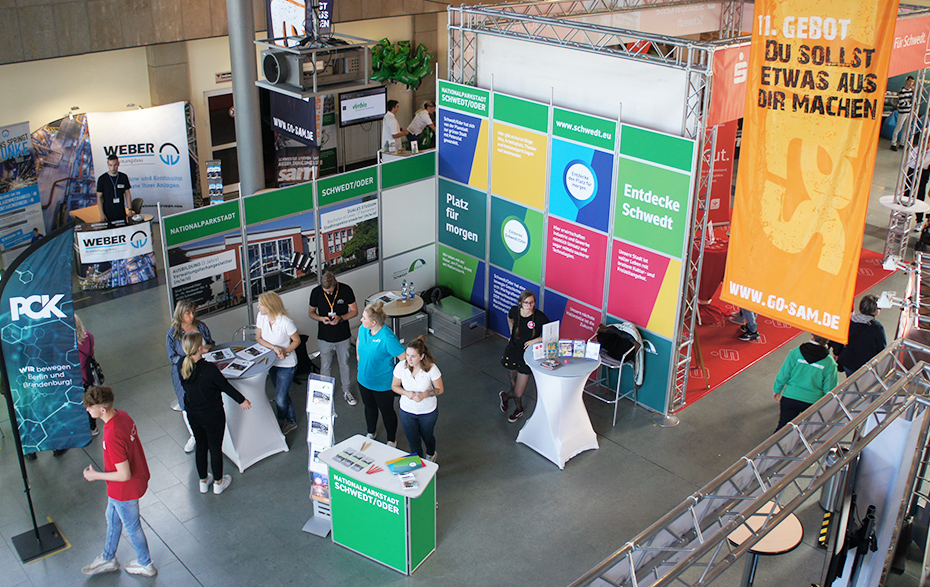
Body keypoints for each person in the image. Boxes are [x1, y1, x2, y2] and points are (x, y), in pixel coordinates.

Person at [81, 385, 157, 577]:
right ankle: (108, 557)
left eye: (90, 407)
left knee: (132, 527)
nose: (87, 410)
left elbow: (124, 475)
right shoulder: (123, 416)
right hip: (124, 487)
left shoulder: (111, 434)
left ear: (102, 409)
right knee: (112, 517)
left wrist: (95, 475)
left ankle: (145, 564)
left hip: (124, 490)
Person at [179, 332, 252, 494]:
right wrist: (242, 400)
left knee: (201, 445)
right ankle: (219, 482)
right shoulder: (209, 369)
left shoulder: (181, 365)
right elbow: (225, 386)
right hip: (212, 414)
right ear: (200, 348)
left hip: (193, 413)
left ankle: (203, 481)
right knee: (215, 447)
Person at [167, 300, 214, 453]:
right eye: (188, 313)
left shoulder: (201, 326)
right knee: (186, 404)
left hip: (203, 369)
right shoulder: (173, 334)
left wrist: (207, 348)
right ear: (180, 314)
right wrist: (190, 358)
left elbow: (211, 343)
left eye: (193, 312)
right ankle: (194, 435)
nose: (192, 316)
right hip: (184, 372)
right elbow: (172, 357)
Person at [357, 302, 406, 446]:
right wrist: (359, 357)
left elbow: (403, 358)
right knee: (369, 407)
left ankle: (391, 439)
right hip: (364, 380)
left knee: (387, 411)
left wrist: (397, 378)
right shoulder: (363, 328)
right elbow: (359, 340)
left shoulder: (387, 338)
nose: (361, 320)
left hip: (383, 385)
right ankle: (371, 432)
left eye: (364, 318)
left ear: (373, 322)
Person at [308, 271, 358, 406]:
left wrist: (341, 318)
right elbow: (311, 312)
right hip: (324, 336)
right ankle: (325, 393)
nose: (329, 293)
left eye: (330, 291)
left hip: (343, 335)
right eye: (326, 291)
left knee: (344, 363)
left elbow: (354, 311)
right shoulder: (316, 292)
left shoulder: (346, 290)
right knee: (325, 365)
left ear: (336, 283)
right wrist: (321, 318)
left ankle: (346, 391)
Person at [499, 290, 548, 423]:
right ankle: (519, 409)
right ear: (520, 303)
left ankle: (505, 397)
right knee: (513, 384)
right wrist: (511, 329)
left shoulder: (539, 317)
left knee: (518, 391)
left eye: (531, 303)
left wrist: (535, 340)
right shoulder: (515, 311)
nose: (529, 305)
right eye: (526, 303)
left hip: (527, 356)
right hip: (512, 352)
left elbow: (551, 335)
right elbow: (509, 317)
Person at [392, 336, 443, 462]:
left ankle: (431, 453)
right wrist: (406, 393)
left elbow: (440, 389)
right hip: (407, 411)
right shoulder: (401, 367)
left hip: (427, 411)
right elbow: (394, 386)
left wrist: (424, 394)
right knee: (413, 439)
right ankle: (417, 461)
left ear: (421, 356)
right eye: (407, 355)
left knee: (427, 436)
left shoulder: (431, 368)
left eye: (413, 356)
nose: (409, 359)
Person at [257, 291, 301, 434]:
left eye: (261, 305)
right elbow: (259, 338)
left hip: (286, 364)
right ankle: (290, 419)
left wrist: (285, 352)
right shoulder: (261, 317)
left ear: (269, 306)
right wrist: (274, 348)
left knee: (280, 398)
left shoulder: (286, 322)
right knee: (282, 393)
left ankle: (283, 420)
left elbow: (297, 341)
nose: (258, 307)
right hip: (272, 362)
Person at [773, 334, 838, 431]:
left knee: (783, 427)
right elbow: (829, 388)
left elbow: (784, 374)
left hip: (790, 397)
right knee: (806, 430)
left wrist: (777, 389)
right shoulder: (829, 362)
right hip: (812, 402)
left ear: (812, 337)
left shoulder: (795, 352)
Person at [830, 295, 887, 377]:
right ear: (875, 311)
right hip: (865, 364)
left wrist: (837, 353)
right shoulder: (877, 328)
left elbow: (838, 340)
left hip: (848, 361)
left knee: (850, 379)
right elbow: (882, 349)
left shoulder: (848, 322)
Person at [76, 315, 99, 437]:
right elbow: (91, 353)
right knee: (88, 402)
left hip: (76, 379)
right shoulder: (88, 336)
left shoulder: (67, 344)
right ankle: (92, 426)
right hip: (88, 376)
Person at [96, 154, 133, 224]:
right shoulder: (102, 179)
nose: (113, 168)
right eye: (110, 165)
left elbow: (127, 194)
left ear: (118, 164)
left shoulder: (123, 177)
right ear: (108, 165)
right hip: (108, 212)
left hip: (121, 211)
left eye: (115, 165)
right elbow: (99, 197)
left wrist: (130, 209)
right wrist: (101, 214)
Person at [891, 76, 916, 151]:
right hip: (903, 112)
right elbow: (901, 103)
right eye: (910, 81)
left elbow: (914, 100)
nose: (911, 83)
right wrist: (910, 103)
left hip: (909, 112)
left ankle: (902, 143)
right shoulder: (902, 90)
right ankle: (893, 143)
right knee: (898, 127)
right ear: (907, 81)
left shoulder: (911, 91)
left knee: (906, 128)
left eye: (912, 82)